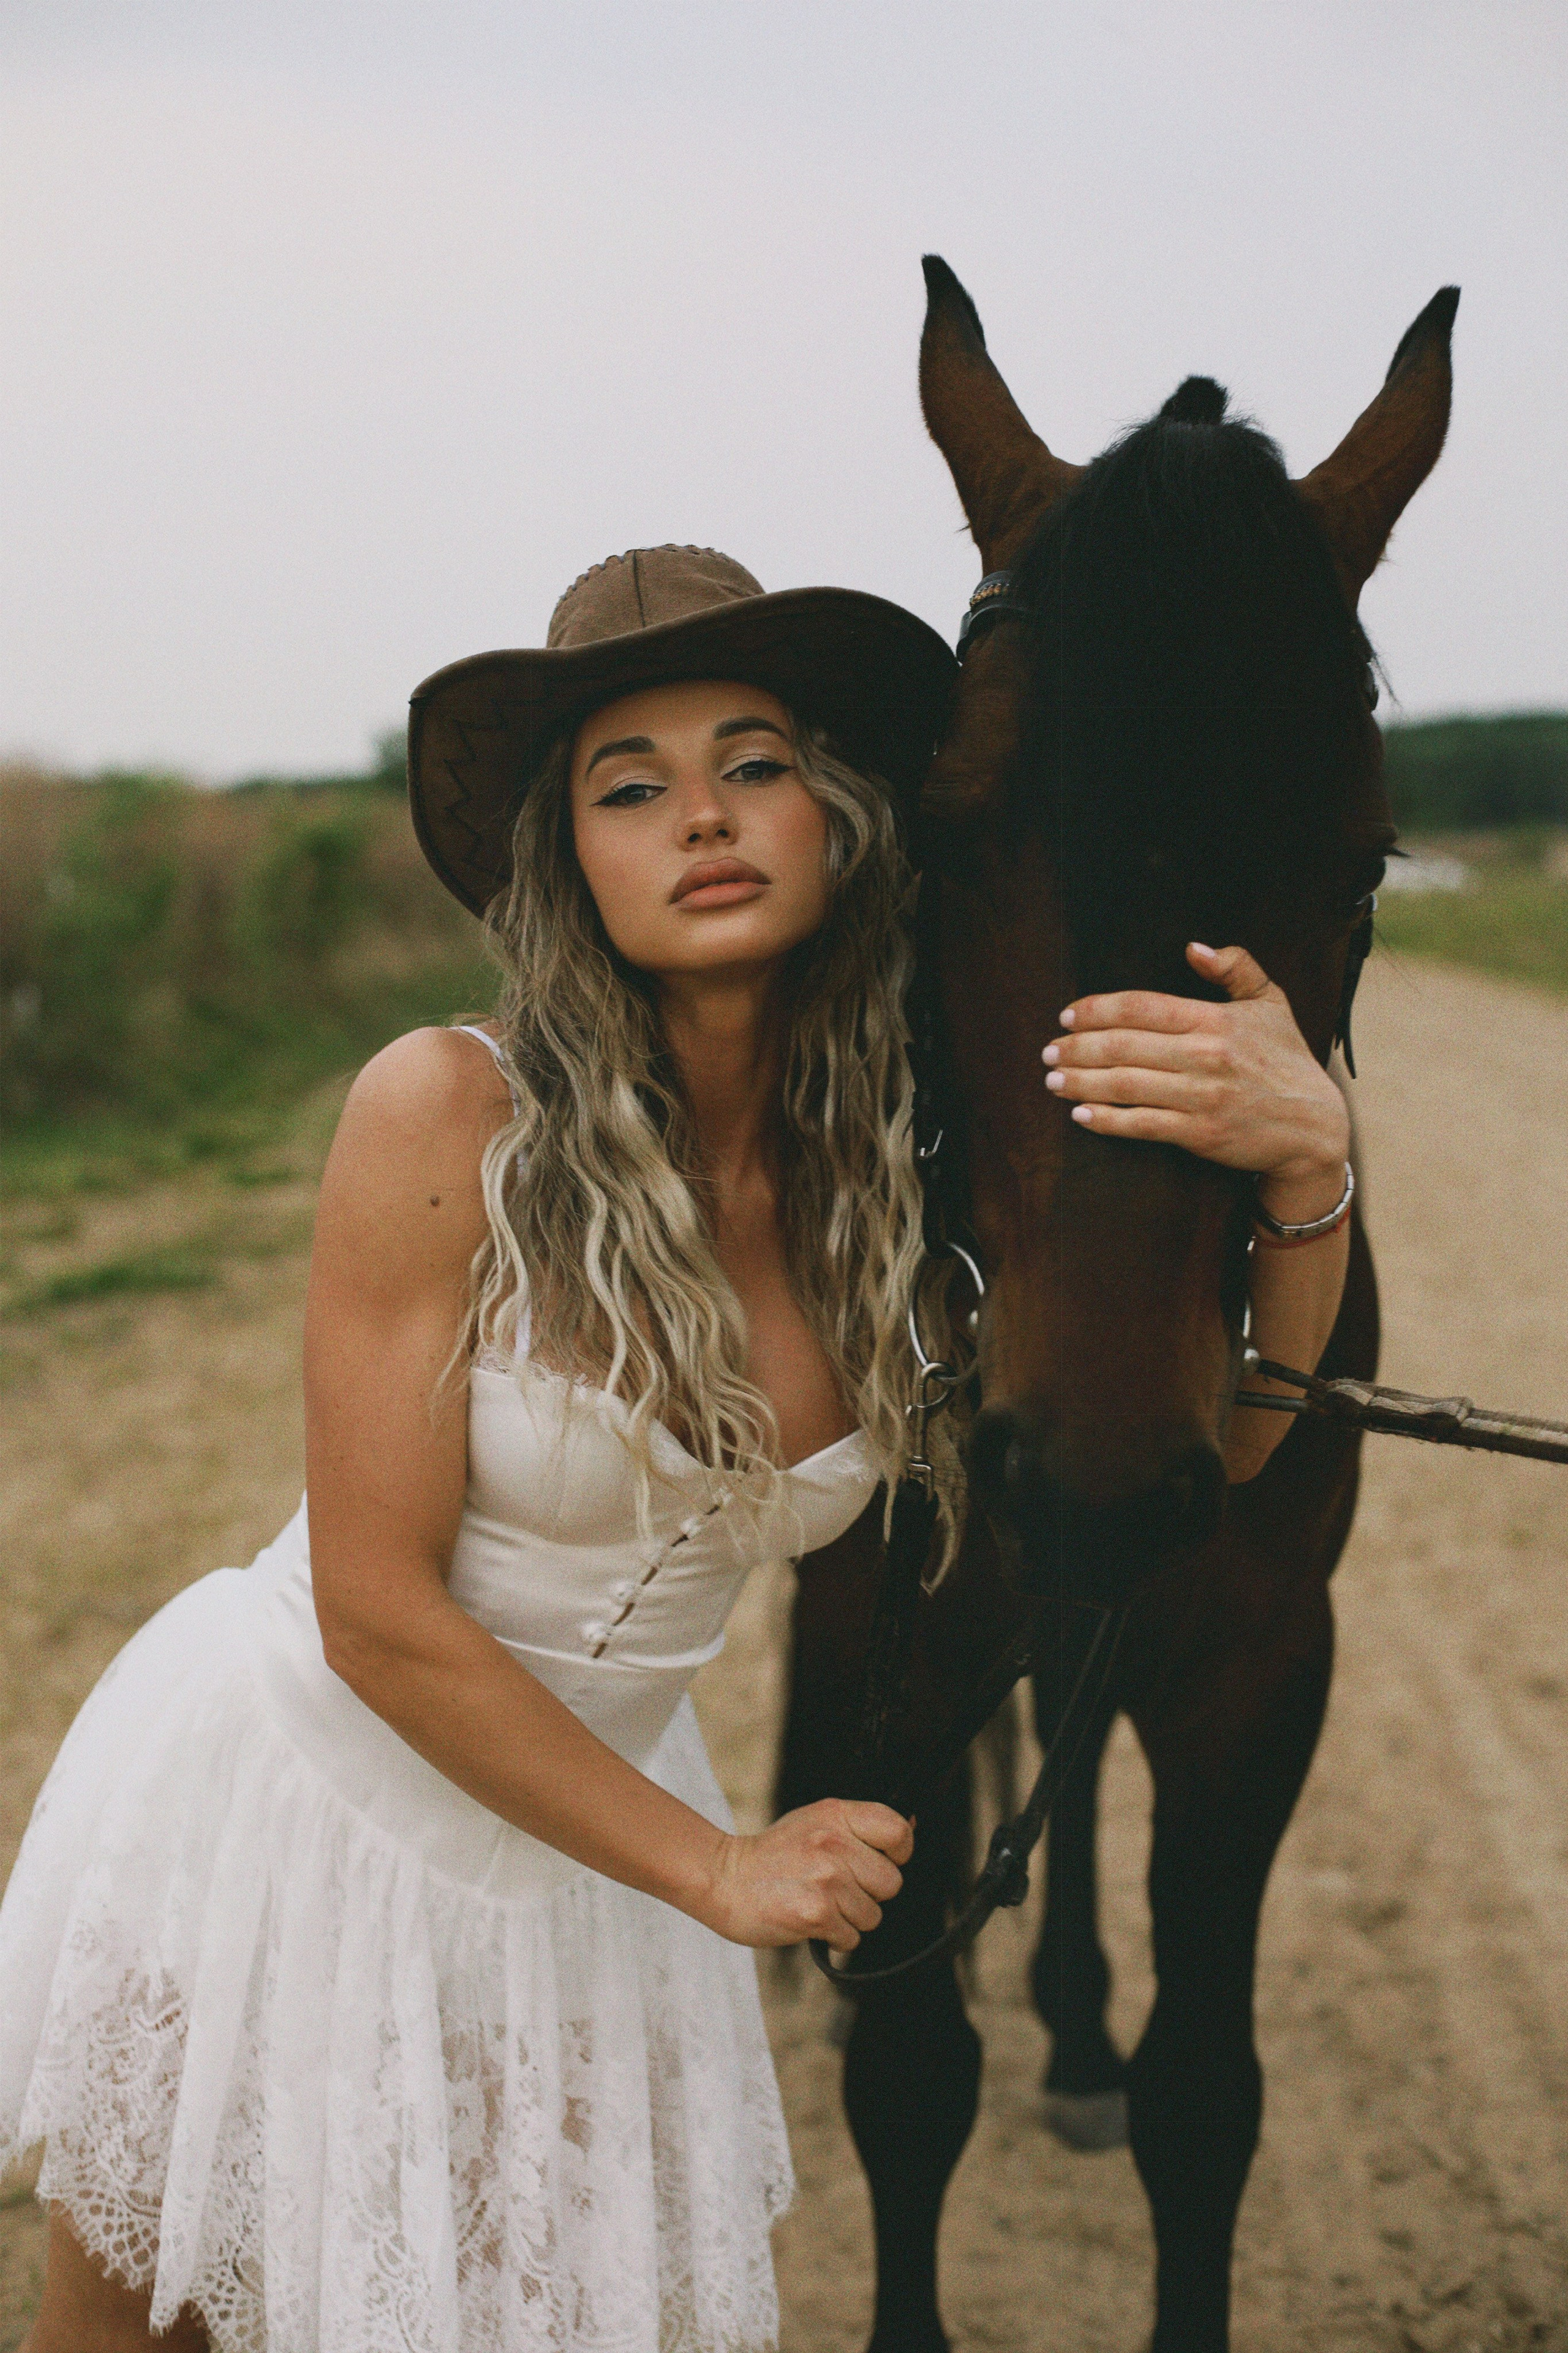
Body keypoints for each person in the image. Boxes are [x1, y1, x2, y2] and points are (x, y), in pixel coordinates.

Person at [0, 545, 1352, 2353]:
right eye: (629, 786)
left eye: (755, 761)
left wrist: (1309, 1173)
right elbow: (377, 1609)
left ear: (840, 815)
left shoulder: (913, 1170)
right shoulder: (447, 1111)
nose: (701, 816)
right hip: (303, 1812)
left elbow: (1235, 1455)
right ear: (569, 857)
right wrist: (721, 1870)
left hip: (590, 1877)